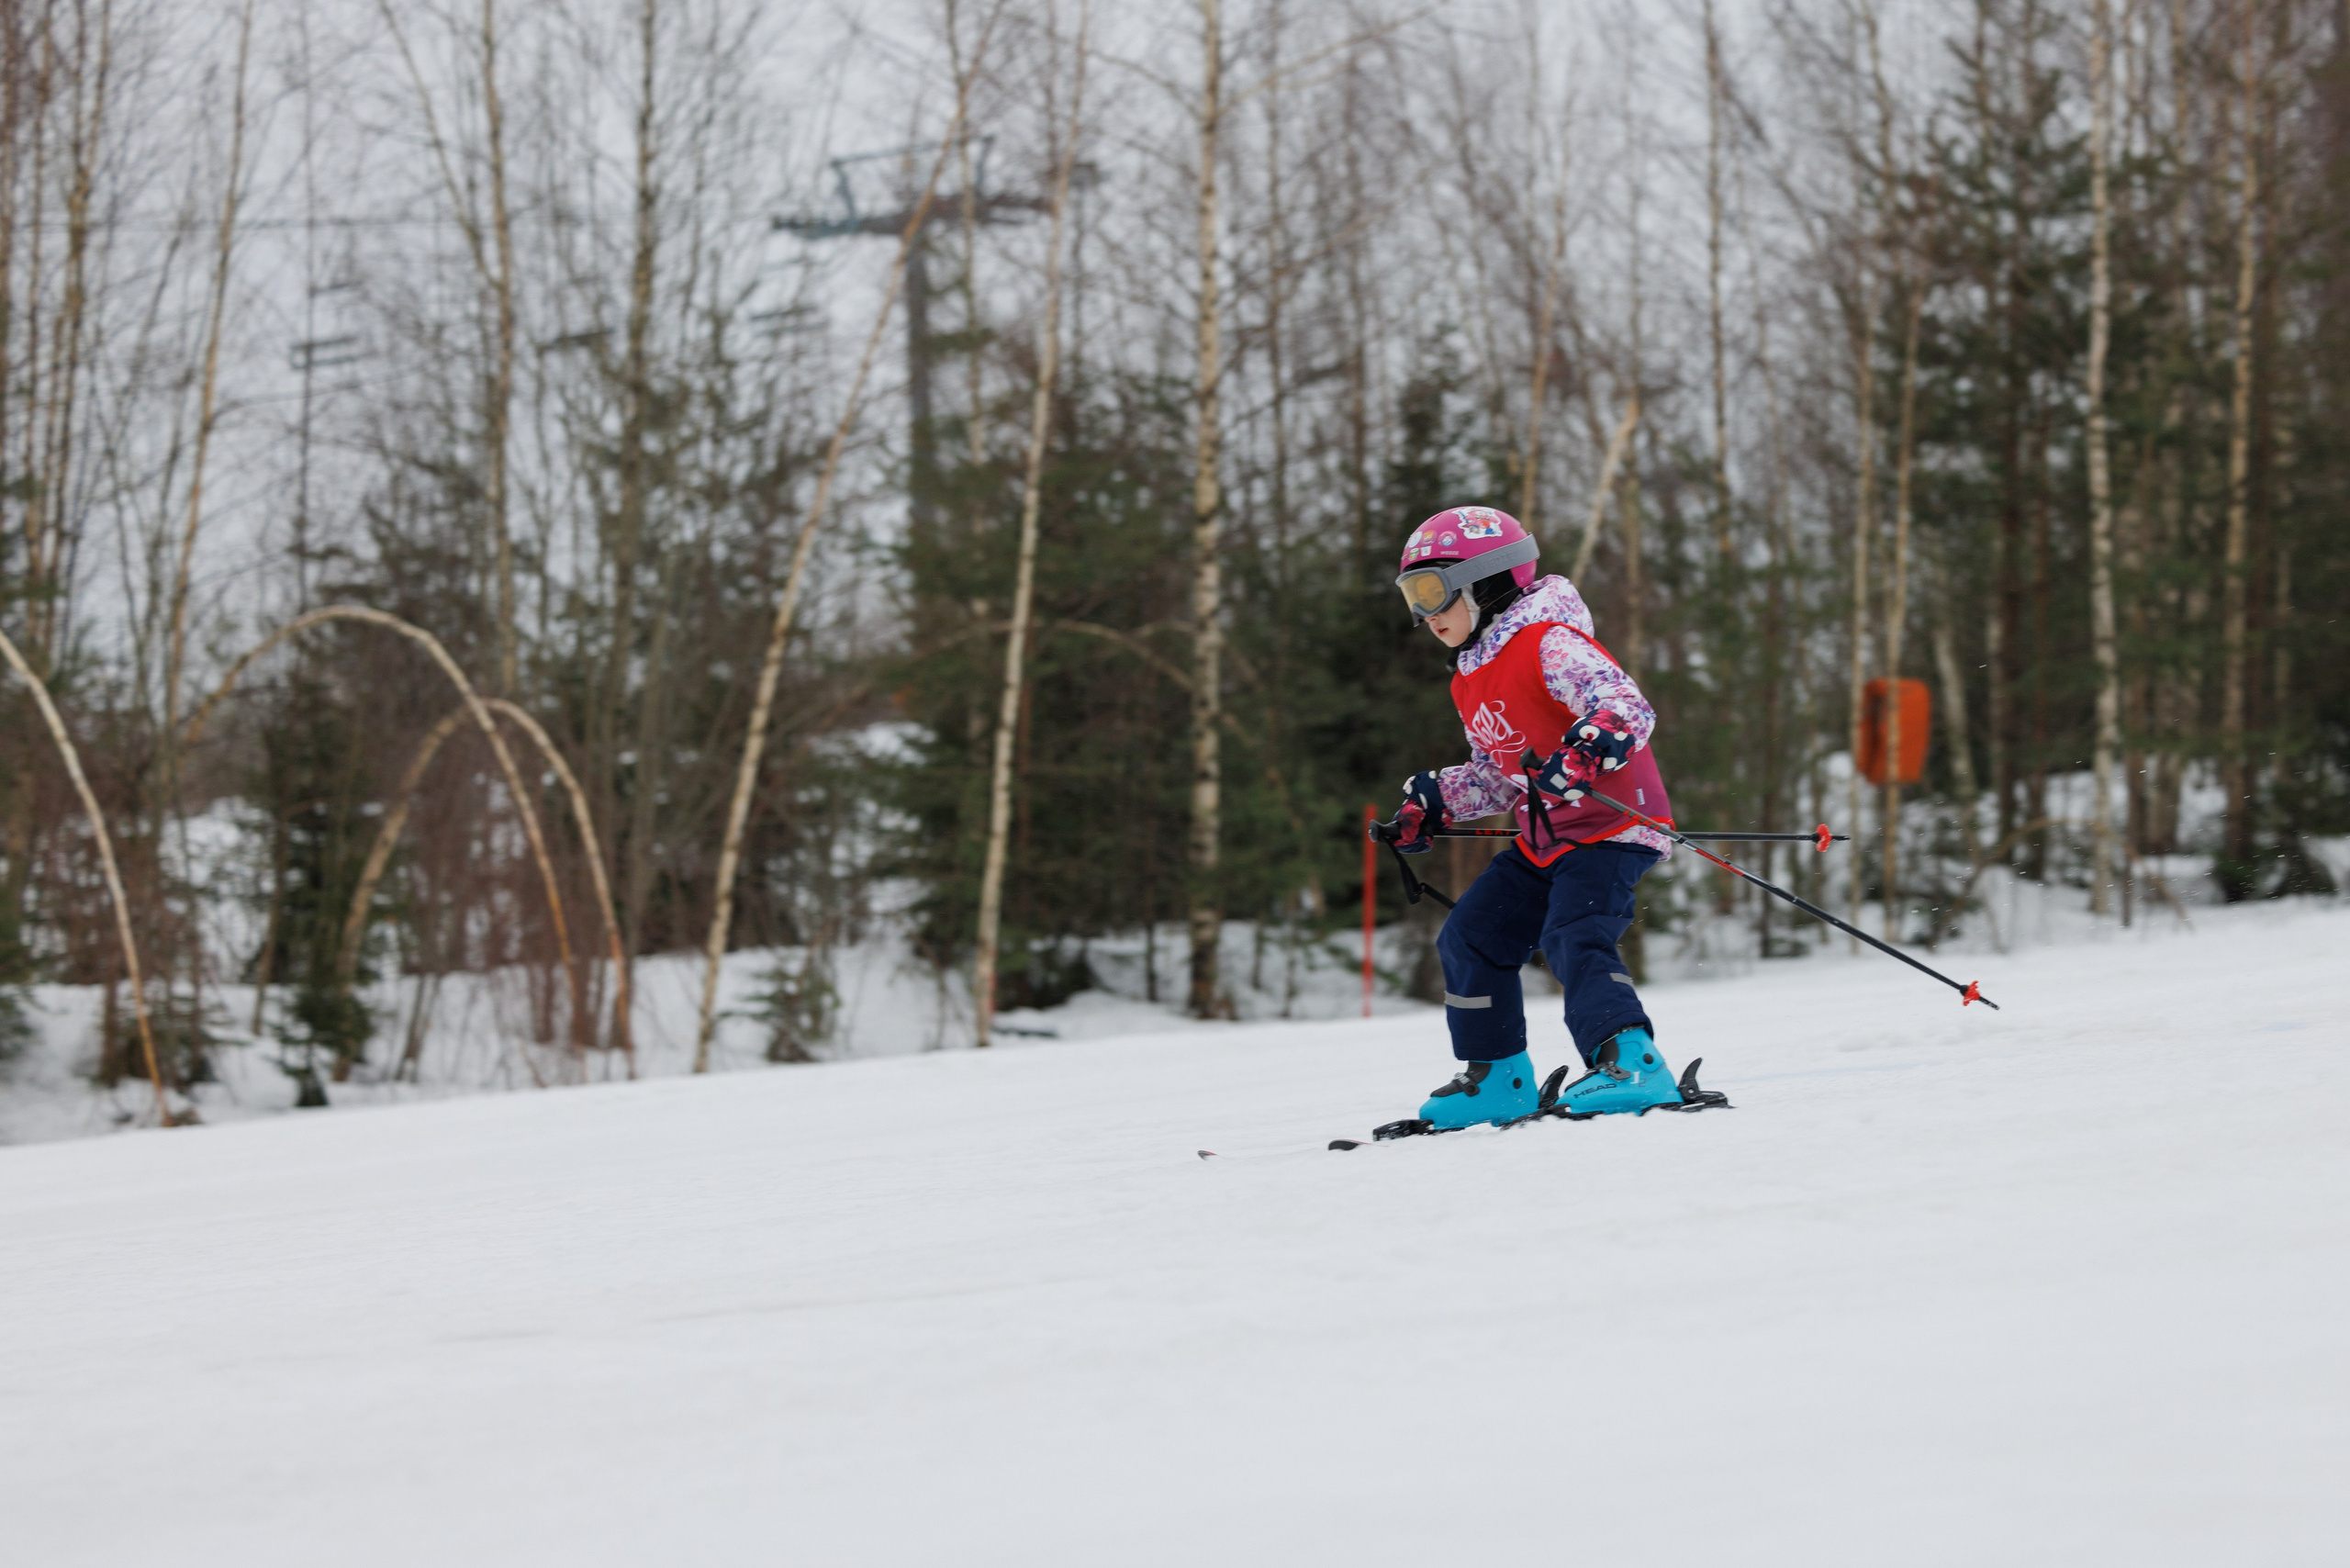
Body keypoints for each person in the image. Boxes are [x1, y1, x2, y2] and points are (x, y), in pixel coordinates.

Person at [1386, 505, 1684, 1127]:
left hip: (1612, 826)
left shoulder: (1549, 642)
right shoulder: (1471, 675)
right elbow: (1497, 773)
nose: (1424, 613)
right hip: (1546, 836)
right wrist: (1434, 801)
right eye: (1412, 595)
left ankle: (1632, 1062)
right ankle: (1497, 1078)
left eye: (1433, 591)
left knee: (1572, 934)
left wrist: (1585, 749)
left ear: (1489, 582)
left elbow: (1626, 705)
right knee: (1471, 935)